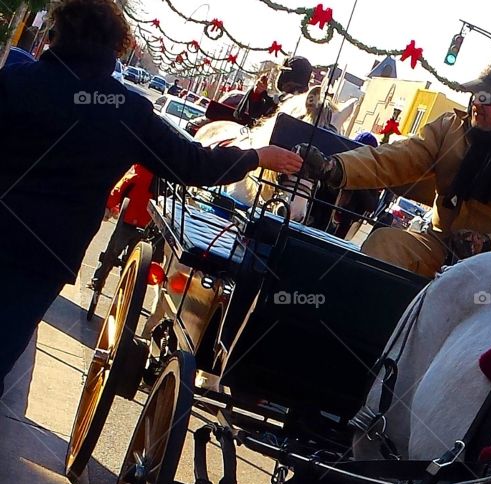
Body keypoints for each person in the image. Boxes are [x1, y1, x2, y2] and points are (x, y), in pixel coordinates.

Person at [0, 0, 302, 398]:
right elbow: (193, 164)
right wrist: (256, 156)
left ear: (56, 36)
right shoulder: (127, 111)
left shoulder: (14, 83)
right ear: (115, 48)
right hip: (46, 256)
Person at [297, 60, 491, 278]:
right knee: (385, 245)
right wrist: (336, 167)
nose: (476, 103)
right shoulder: (451, 128)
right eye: (475, 94)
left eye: (486, 98)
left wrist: (488, 244)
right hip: (437, 245)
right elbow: (396, 158)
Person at [90, 164, 155, 288]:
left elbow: (119, 190)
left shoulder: (138, 172)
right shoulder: (161, 179)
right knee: (133, 260)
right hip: (146, 223)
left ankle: (98, 280)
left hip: (127, 219)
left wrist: (109, 205)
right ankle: (126, 287)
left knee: (112, 253)